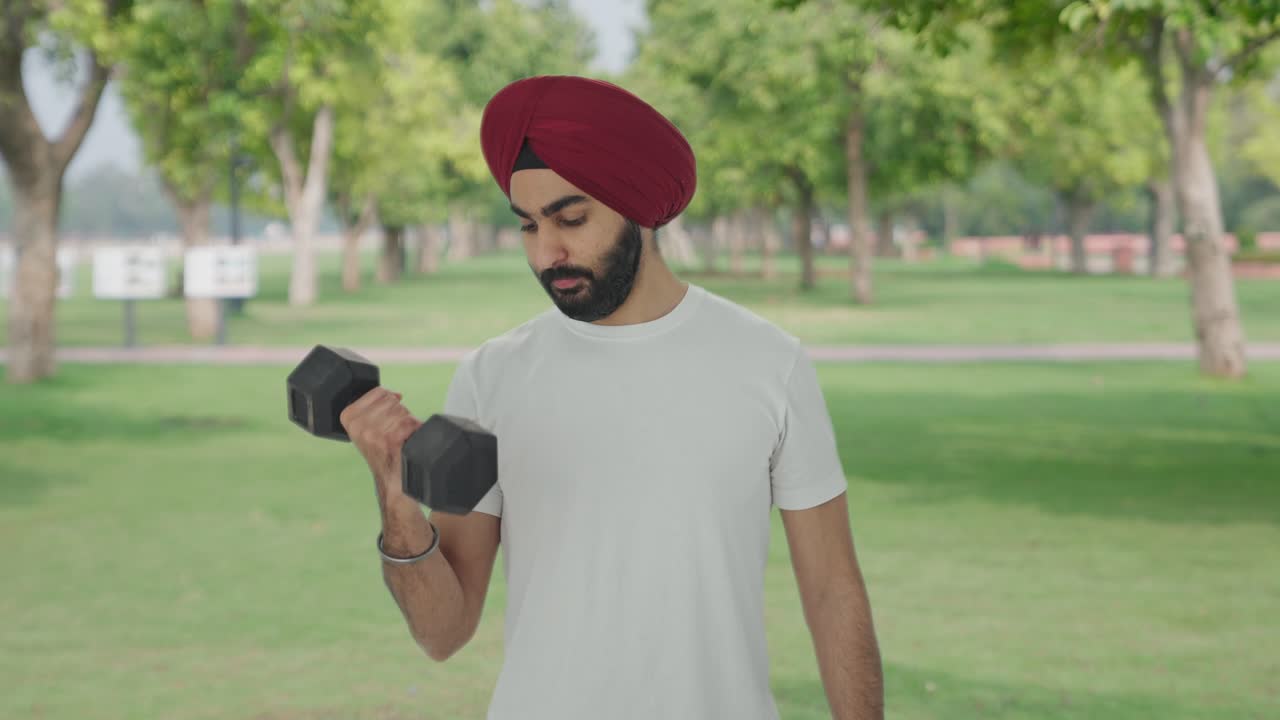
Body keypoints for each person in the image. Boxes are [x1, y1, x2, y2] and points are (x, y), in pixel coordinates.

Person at [339, 75, 883, 720]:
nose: (548, 253)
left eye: (571, 219)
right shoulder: (491, 377)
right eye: (528, 226)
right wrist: (397, 501)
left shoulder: (769, 363)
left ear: (638, 209)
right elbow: (442, 632)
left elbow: (832, 590)